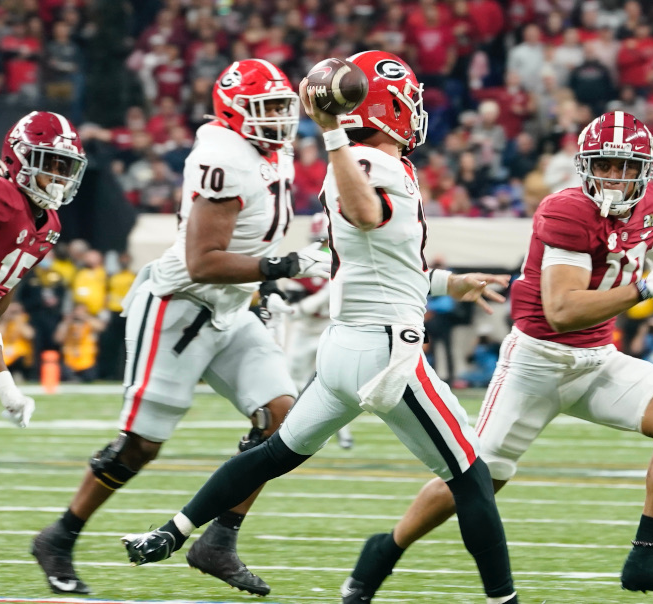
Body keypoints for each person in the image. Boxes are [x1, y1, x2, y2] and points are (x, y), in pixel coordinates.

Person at [119, 51, 521, 604]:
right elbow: (366, 214)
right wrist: (331, 132)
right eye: (408, 101)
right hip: (387, 353)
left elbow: (379, 264)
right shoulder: (367, 163)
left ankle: (172, 532)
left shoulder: (365, 162)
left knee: (274, 455)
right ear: (388, 110)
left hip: (343, 349)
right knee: (472, 478)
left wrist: (451, 282)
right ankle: (505, 600)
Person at [341, 110, 653, 599]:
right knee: (479, 480)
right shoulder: (568, 210)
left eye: (626, 167)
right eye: (605, 164)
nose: (615, 177)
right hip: (536, 364)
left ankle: (645, 556)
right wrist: (643, 288)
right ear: (585, 165)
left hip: (598, 360)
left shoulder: (650, 206)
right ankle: (384, 551)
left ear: (645, 170)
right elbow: (562, 310)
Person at [32, 59, 330, 597]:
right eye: (265, 111)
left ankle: (218, 541)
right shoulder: (222, 159)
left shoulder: (271, 150)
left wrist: (262, 286)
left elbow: (251, 240)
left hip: (231, 307)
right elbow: (202, 261)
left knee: (283, 419)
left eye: (282, 109)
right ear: (234, 111)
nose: (279, 122)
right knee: (141, 446)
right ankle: (60, 535)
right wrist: (280, 268)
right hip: (179, 305)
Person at [0, 111, 87, 483]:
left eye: (66, 166)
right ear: (20, 159)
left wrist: (5, 388)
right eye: (50, 164)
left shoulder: (48, 227)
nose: (59, 177)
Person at [276, 211, 352, 449]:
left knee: (334, 380)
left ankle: (342, 430)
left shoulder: (347, 262)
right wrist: (309, 303)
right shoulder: (308, 258)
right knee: (294, 378)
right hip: (305, 327)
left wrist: (313, 303)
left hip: (330, 326)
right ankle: (300, 425)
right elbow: (293, 299)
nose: (325, 245)